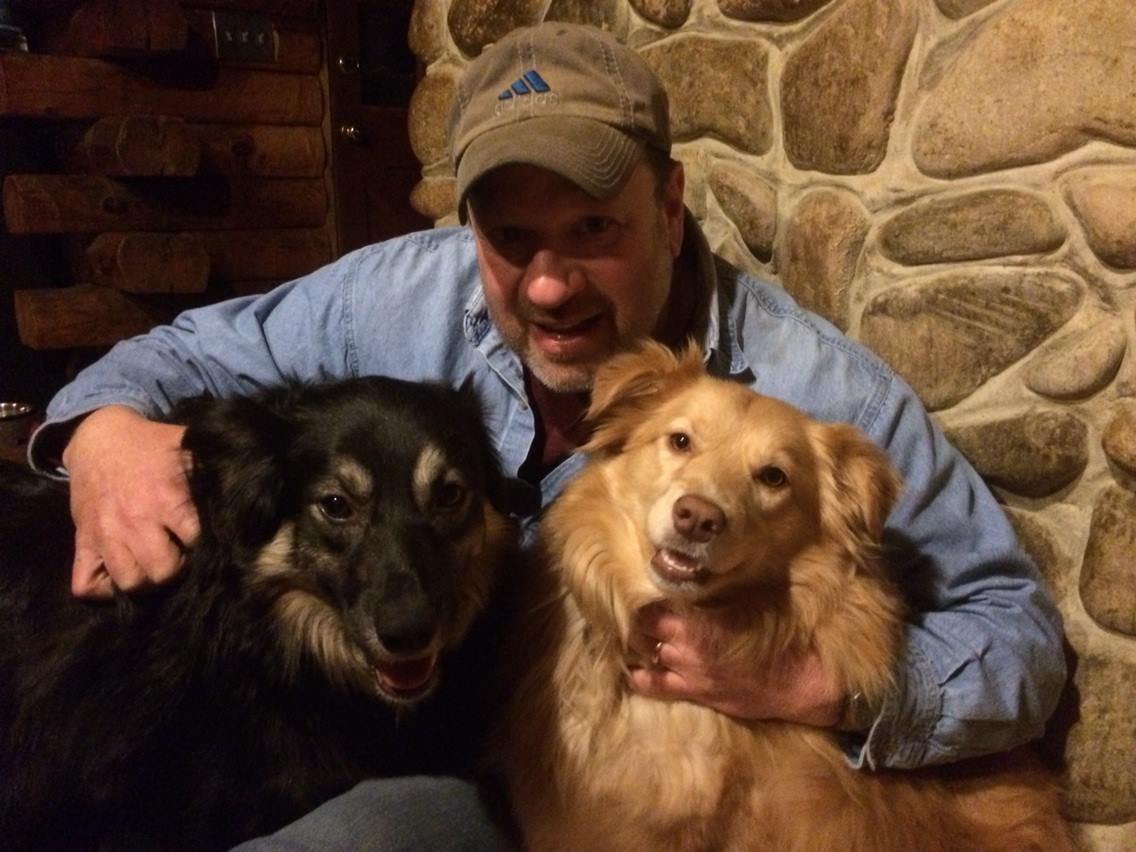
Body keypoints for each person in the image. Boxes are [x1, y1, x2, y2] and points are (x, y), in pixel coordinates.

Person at [30, 21, 1065, 850]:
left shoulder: (816, 392)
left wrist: (815, 685)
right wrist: (102, 432)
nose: (547, 284)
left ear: (667, 208)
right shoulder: (400, 290)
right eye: (509, 238)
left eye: (592, 232)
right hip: (433, 741)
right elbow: (180, 356)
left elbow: (1015, 636)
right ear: (469, 226)